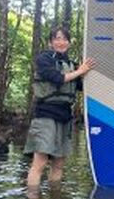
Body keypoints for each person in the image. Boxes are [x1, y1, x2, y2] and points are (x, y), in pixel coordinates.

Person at [25, 27, 95, 188]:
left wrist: (84, 72)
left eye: (64, 39)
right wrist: (81, 71)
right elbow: (57, 78)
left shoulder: (72, 64)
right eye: (57, 38)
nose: (61, 42)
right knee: (40, 163)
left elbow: (81, 86)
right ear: (51, 42)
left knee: (58, 164)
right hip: (45, 115)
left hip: (65, 116)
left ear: (69, 43)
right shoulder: (44, 59)